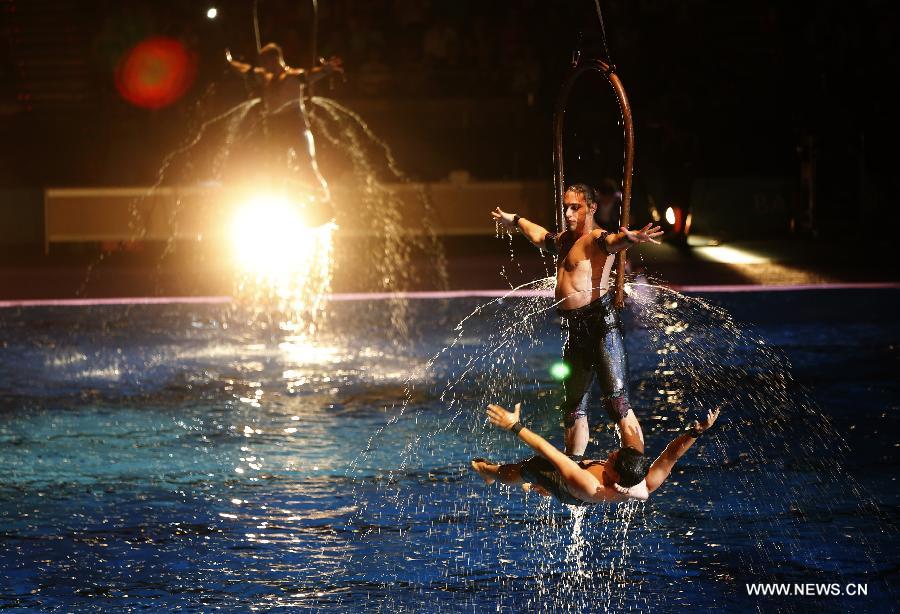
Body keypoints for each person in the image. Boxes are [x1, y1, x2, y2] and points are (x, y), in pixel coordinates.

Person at [492, 185, 662, 459]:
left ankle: (635, 469)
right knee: (572, 408)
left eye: (576, 207)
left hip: (601, 327)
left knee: (617, 403)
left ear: (591, 208)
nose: (568, 213)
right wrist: (514, 219)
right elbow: (538, 236)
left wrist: (630, 239)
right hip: (575, 330)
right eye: (566, 207)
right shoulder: (564, 240)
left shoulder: (595, 237)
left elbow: (612, 242)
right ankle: (573, 468)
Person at [471, 402, 720, 505]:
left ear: (615, 476)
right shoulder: (642, 479)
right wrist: (696, 433)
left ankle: (489, 472)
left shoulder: (590, 486)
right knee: (572, 457)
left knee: (530, 468)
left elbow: (549, 451)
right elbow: (670, 457)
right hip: (581, 471)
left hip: (570, 489)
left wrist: (514, 425)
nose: (610, 454)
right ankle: (537, 486)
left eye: (611, 460)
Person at [226, 43, 343, 201]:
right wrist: (230, 61)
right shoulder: (264, 77)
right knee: (276, 169)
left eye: (266, 62)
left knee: (307, 164)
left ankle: (323, 199)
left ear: (276, 60)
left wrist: (325, 70)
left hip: (295, 124)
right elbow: (244, 70)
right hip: (275, 125)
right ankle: (278, 202)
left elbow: (311, 75)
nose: (264, 67)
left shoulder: (293, 76)